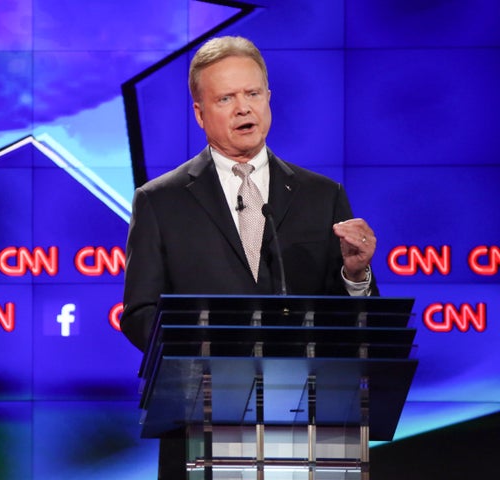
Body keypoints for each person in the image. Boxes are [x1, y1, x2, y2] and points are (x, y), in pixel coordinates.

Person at [120, 36, 379, 478]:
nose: (244, 108)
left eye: (253, 94)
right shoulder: (160, 202)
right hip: (204, 423)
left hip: (309, 423)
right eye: (226, 98)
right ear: (200, 113)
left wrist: (356, 274)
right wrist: (211, 363)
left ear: (269, 100)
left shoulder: (323, 196)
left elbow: (355, 320)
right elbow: (140, 313)